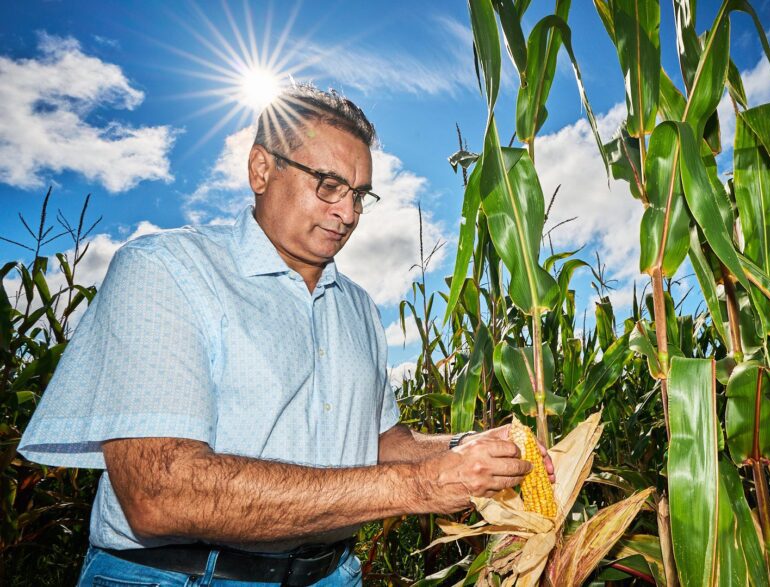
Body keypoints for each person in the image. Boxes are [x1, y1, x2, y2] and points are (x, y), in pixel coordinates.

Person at [18, 83, 552, 587]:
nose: (347, 213)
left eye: (360, 195)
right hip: (183, 575)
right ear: (260, 169)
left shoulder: (360, 308)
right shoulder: (166, 270)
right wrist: (422, 486)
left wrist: (468, 448)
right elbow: (159, 494)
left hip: (331, 572)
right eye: (328, 186)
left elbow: (384, 443)